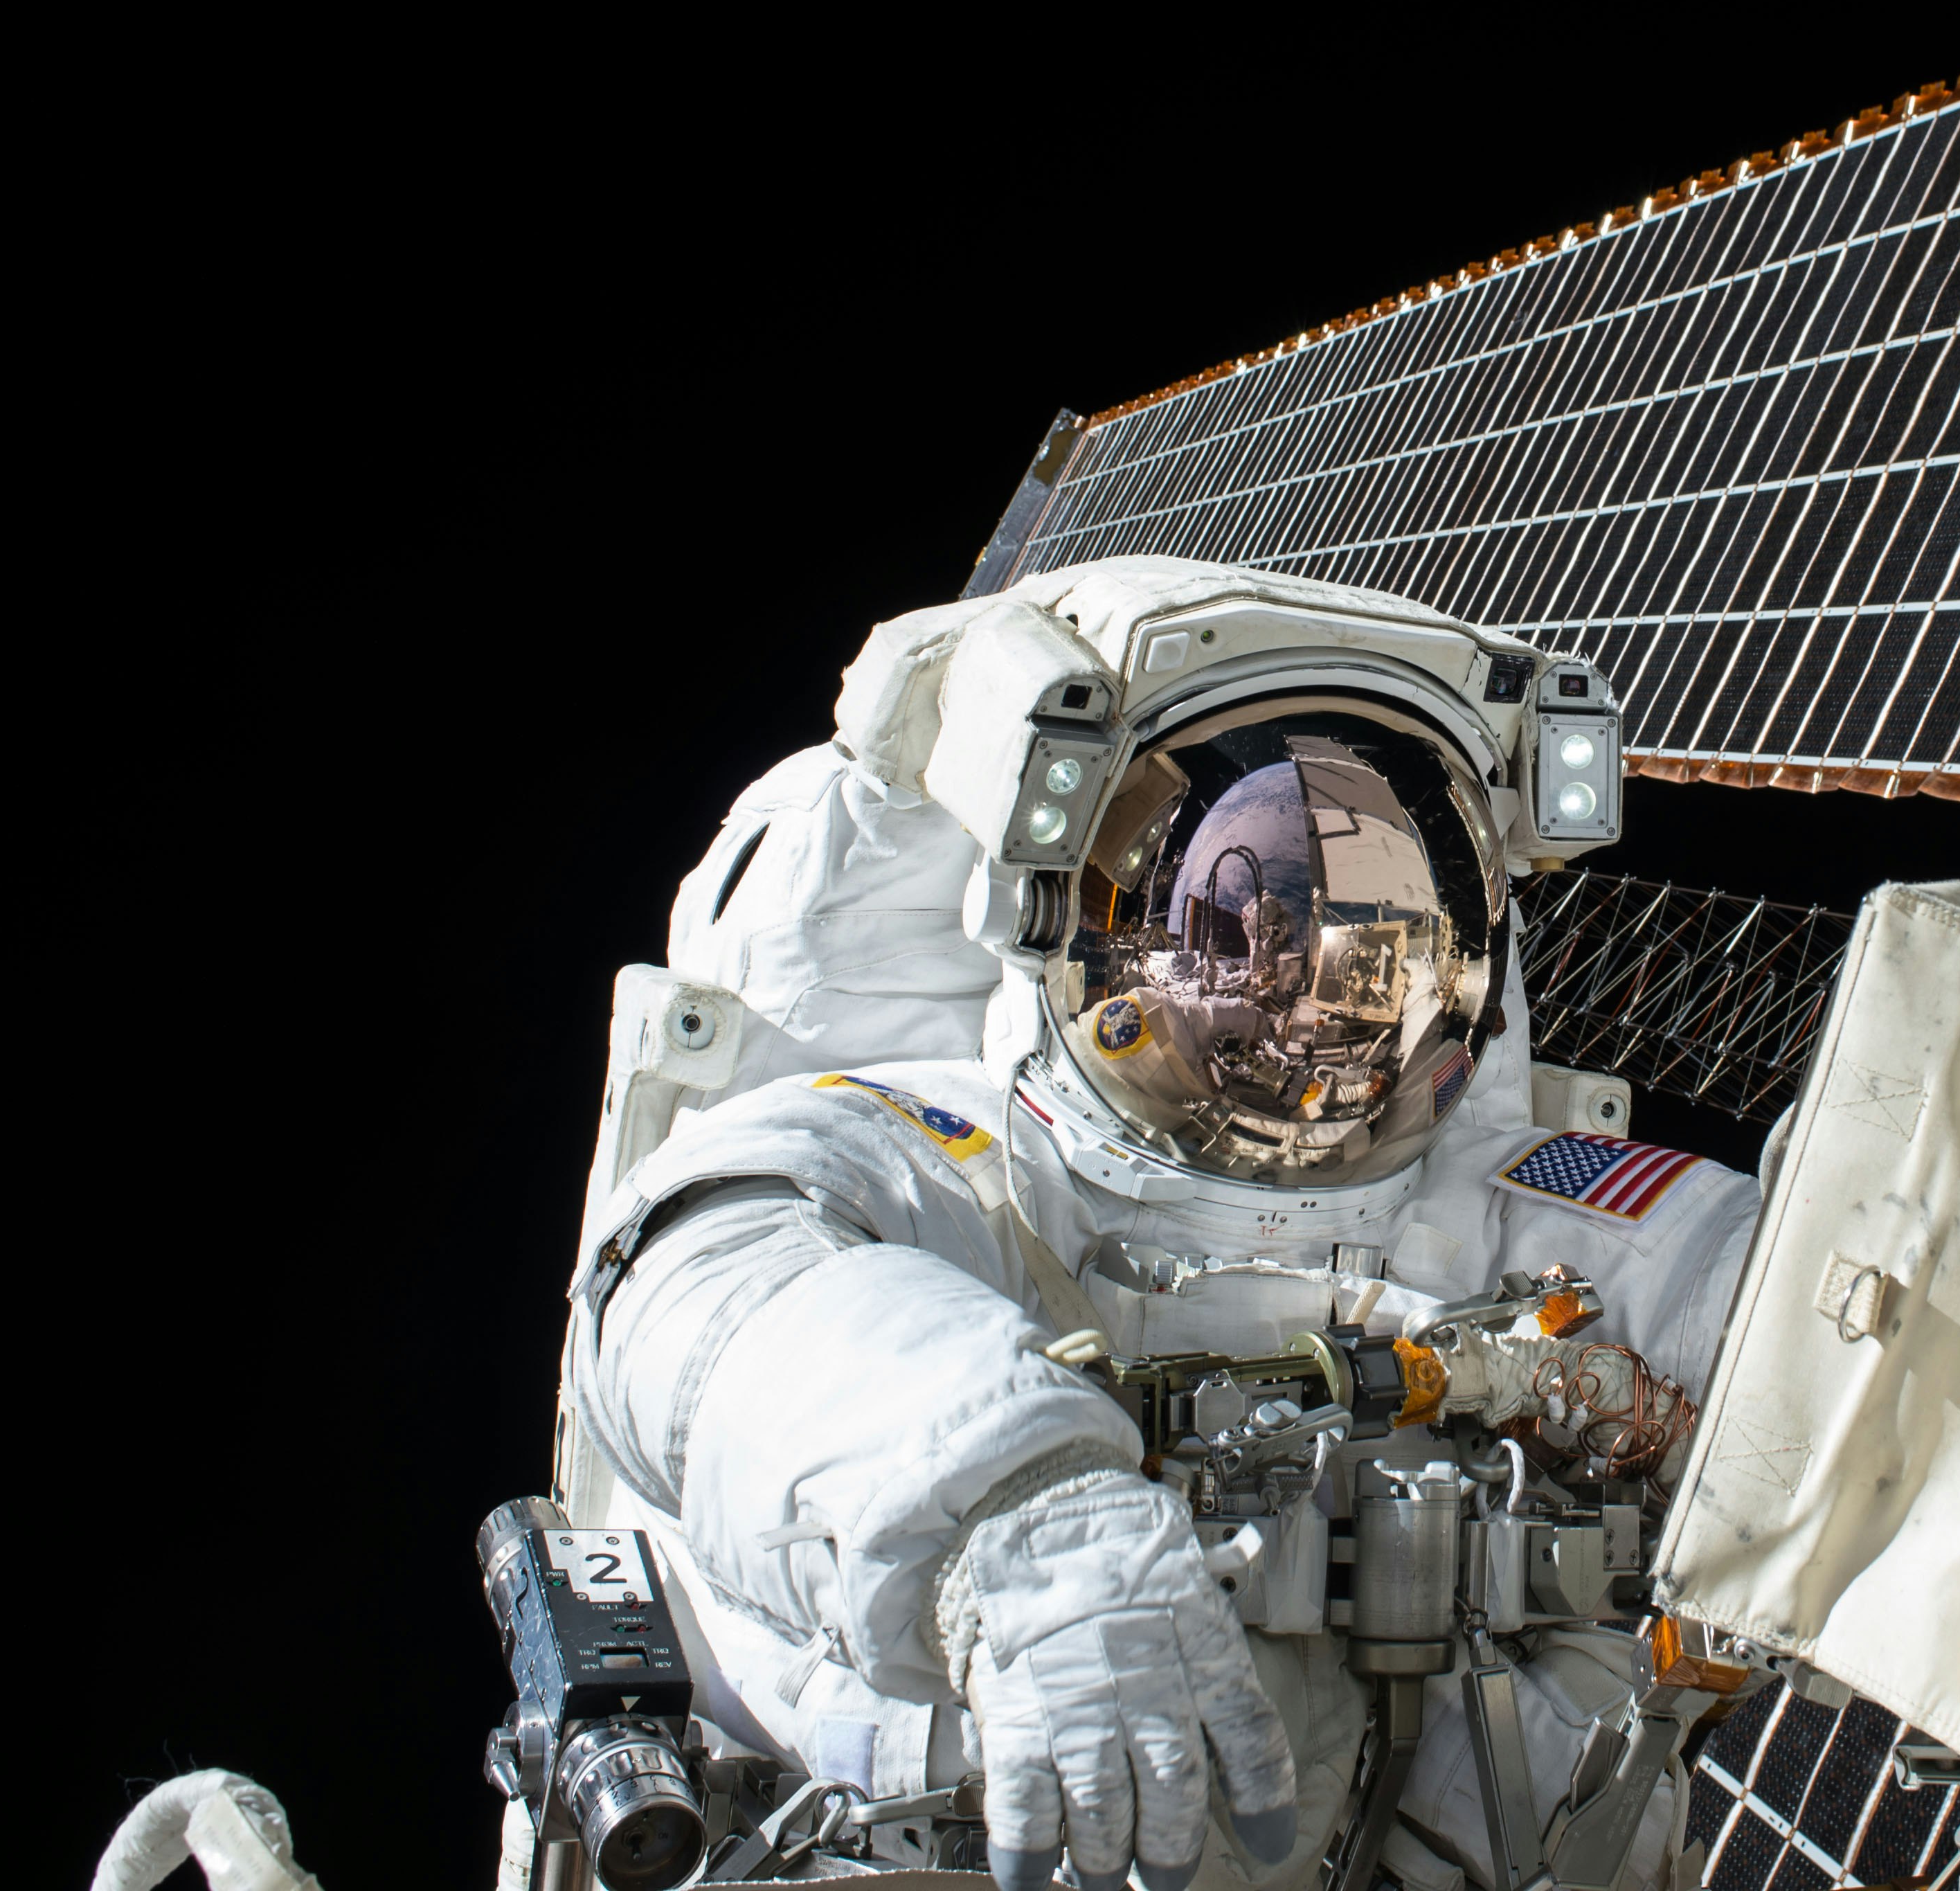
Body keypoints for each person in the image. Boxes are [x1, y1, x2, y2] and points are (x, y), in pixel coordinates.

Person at [557, 562, 1760, 1891]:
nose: (1312, 998)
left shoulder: (1496, 1204)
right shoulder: (961, 1146)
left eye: (1382, 937)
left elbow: (1807, 1308)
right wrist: (1009, 1508)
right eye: (1264, 925)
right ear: (1086, 915)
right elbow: (698, 1269)